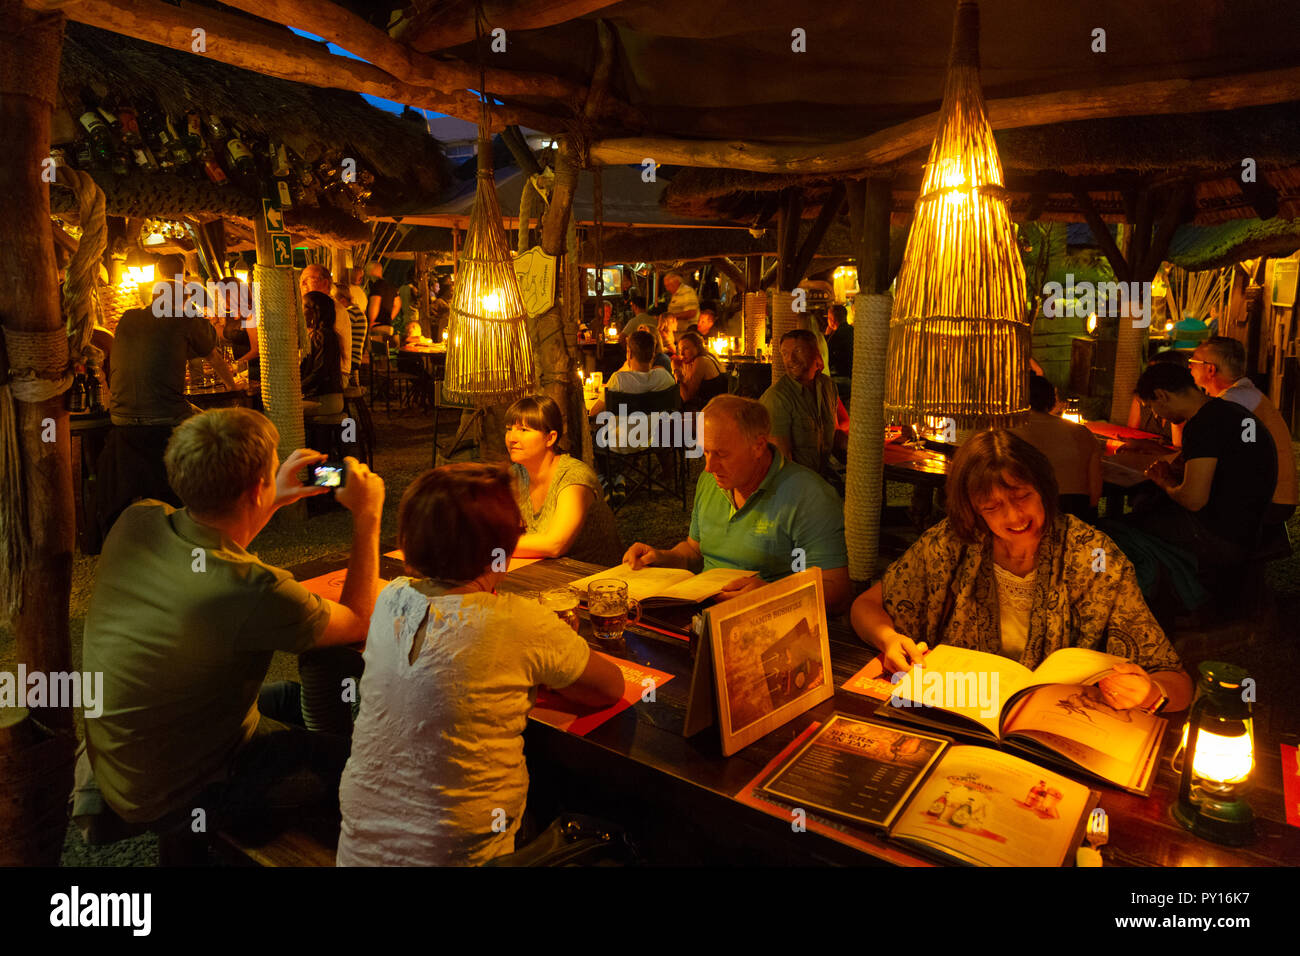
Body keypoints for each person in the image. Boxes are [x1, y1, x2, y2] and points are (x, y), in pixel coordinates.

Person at [80, 408, 383, 834]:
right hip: (178, 793)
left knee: (287, 697)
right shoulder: (256, 590)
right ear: (256, 484)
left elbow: (214, 547)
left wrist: (274, 495)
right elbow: (357, 621)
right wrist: (368, 517)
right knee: (368, 769)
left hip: (123, 762)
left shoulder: (136, 521)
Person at [336, 464, 623, 866]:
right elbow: (610, 687)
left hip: (358, 851)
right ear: (503, 550)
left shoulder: (390, 599)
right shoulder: (517, 621)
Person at [850, 429, 1191, 712]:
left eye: (1022, 496)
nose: (1014, 517)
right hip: (961, 714)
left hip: (1057, 725)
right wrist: (889, 639)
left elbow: (1176, 681)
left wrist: (1150, 694)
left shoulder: (1092, 554)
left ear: (1043, 489)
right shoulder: (953, 543)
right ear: (973, 510)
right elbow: (865, 606)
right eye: (992, 506)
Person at [623, 394, 852, 614]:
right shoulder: (711, 481)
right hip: (704, 611)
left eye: (721, 454)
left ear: (759, 446)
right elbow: (695, 550)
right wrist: (661, 556)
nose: (709, 467)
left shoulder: (808, 495)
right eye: (705, 452)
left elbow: (838, 590)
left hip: (771, 620)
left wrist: (771, 595)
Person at [97, 255, 244, 538]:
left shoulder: (128, 318)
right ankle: (213, 505)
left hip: (120, 417)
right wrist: (233, 387)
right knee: (216, 429)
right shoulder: (184, 317)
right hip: (165, 415)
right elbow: (213, 354)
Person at [1123, 361, 1276, 568]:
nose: (1157, 415)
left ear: (1161, 395)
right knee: (1145, 505)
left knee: (1118, 530)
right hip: (1250, 530)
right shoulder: (1230, 411)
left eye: (1152, 407)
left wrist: (1164, 480)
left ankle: (1170, 591)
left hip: (1219, 537)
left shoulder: (1202, 425)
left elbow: (1194, 500)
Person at [1191, 336, 1296, 526]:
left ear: (1210, 369)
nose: (1189, 366)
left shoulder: (1234, 401)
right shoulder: (1244, 396)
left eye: (1193, 362)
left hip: (1269, 499)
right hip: (1269, 494)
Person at [506, 394, 623, 565]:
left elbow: (555, 544)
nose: (512, 438)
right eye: (509, 429)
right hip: (539, 570)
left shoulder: (574, 477)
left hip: (592, 578)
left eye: (524, 430)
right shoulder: (515, 475)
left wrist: (493, 545)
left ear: (550, 438)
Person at [1014, 375, 1101, 522]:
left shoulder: (1004, 433)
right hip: (1076, 515)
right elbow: (1094, 497)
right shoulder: (1082, 432)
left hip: (1027, 515)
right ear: (1051, 400)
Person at [760, 329, 843, 479]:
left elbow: (834, 433)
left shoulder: (827, 386)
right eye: (785, 353)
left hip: (822, 476)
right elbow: (782, 463)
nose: (790, 359)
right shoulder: (777, 398)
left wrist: (863, 453)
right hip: (795, 484)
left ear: (815, 353)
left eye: (797, 350)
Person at [591, 329, 677, 417]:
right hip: (657, 430)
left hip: (624, 431)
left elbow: (594, 413)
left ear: (630, 353)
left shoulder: (619, 380)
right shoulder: (664, 377)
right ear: (653, 354)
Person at [301, 264, 352, 383]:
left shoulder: (333, 309)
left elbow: (325, 362)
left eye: (308, 279)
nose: (303, 284)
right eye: (301, 279)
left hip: (335, 374)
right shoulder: (314, 309)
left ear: (324, 283)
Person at [301, 291, 344, 418]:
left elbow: (320, 372)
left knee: (280, 411)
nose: (300, 312)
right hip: (326, 397)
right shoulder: (324, 334)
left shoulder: (322, 336)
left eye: (302, 306)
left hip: (324, 400)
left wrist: (296, 389)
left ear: (314, 311)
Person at [674, 331, 729, 413]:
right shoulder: (707, 356)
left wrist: (676, 371)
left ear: (697, 347)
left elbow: (686, 397)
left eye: (686, 348)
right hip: (711, 408)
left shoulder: (701, 361)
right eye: (680, 349)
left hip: (711, 411)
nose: (681, 353)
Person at [365, 261, 400, 335]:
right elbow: (398, 304)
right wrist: (389, 318)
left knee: (376, 346)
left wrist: (371, 321)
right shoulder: (391, 286)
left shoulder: (376, 286)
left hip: (377, 325)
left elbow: (375, 302)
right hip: (388, 326)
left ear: (371, 271)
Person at [827, 303, 854, 378]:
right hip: (853, 373)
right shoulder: (853, 331)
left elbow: (828, 358)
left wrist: (827, 336)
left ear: (832, 320)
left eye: (828, 317)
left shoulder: (835, 336)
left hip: (841, 375)